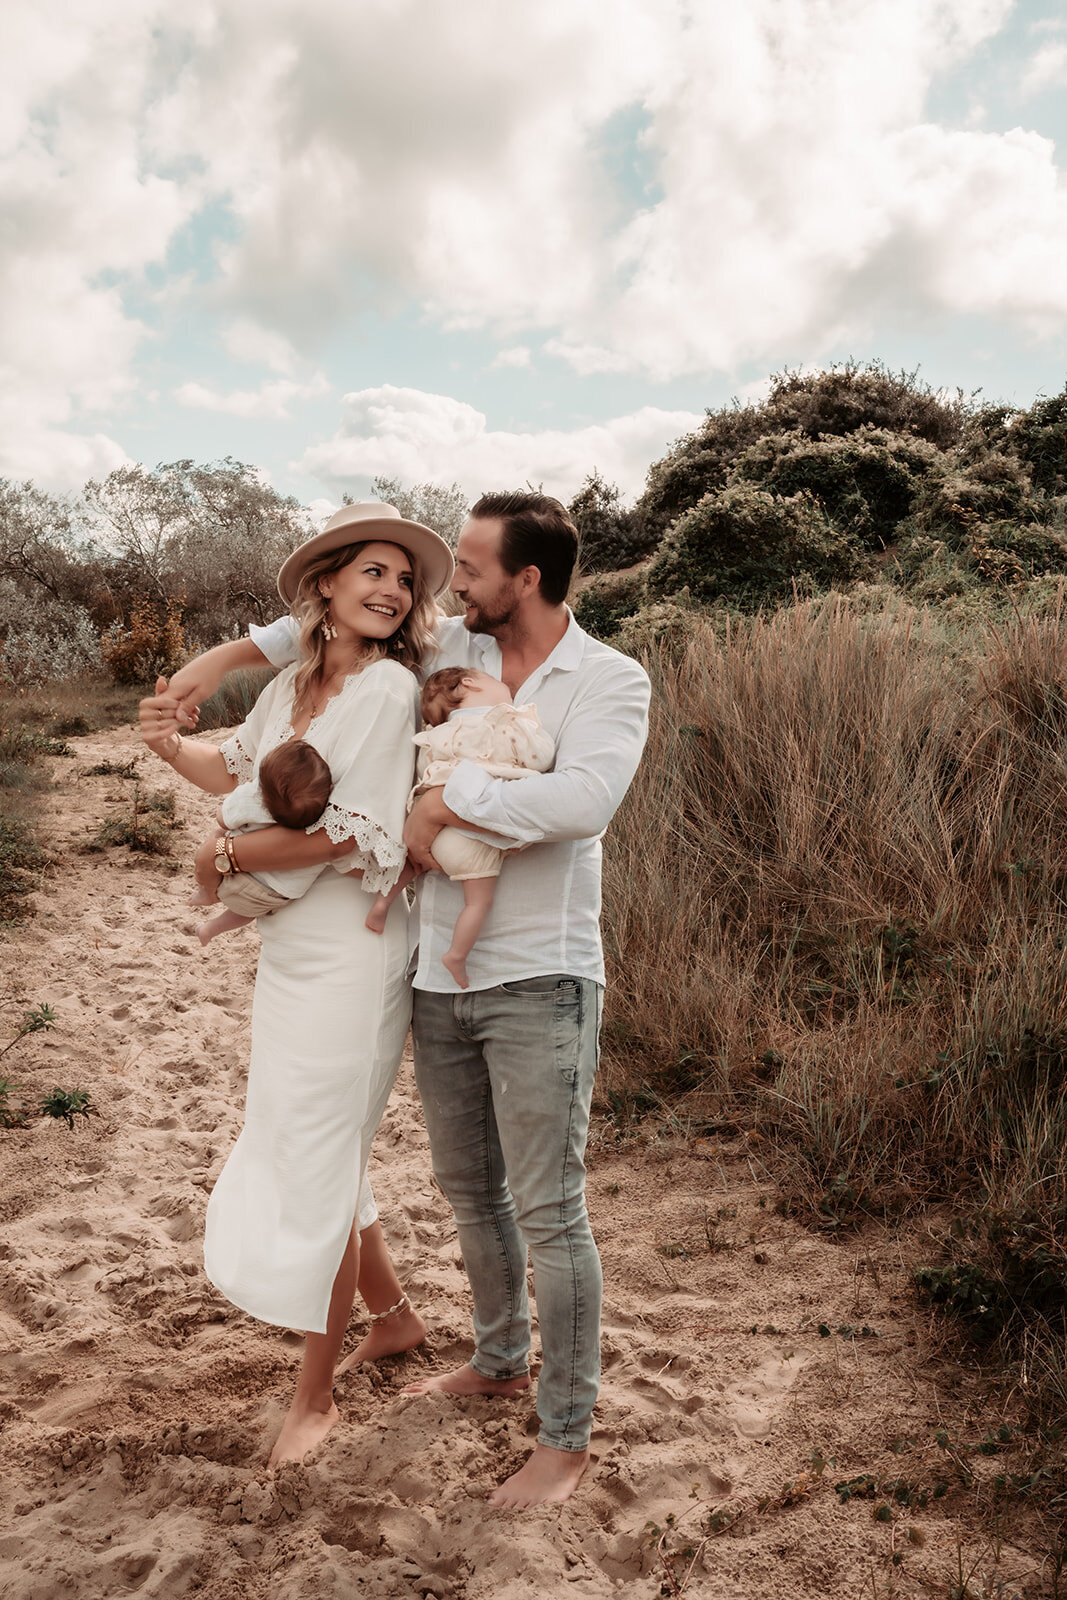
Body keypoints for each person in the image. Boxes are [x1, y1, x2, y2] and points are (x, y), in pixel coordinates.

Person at [146, 491, 650, 1506]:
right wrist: (191, 686)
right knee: (470, 1195)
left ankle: (562, 1434)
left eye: (462, 568)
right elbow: (304, 631)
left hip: (540, 970)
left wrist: (438, 799)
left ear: (526, 580)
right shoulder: (444, 644)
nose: (441, 585)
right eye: (436, 570)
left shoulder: (606, 677)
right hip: (434, 968)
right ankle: (488, 1353)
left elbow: (579, 805)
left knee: (549, 1210)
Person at [138, 503, 455, 1467]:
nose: (391, 589)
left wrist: (218, 856)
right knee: (303, 1135)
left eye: (403, 580)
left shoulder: (389, 689)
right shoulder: (287, 686)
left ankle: (312, 1394)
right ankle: (392, 1319)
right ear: (324, 584)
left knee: (317, 1150)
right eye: (371, 570)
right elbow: (226, 767)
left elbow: (337, 833)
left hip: (355, 957)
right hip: (290, 952)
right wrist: (165, 739)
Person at [365, 667, 555, 988]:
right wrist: (530, 727)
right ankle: (456, 955)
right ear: (469, 683)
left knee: (416, 860)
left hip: (435, 831)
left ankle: (382, 904)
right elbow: (540, 757)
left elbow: (426, 772)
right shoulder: (503, 724)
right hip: (472, 836)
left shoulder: (437, 736)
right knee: (477, 902)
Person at [191, 738, 338, 946]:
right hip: (274, 896)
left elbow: (223, 817)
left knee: (220, 832)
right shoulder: (318, 827)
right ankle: (210, 928)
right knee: (247, 913)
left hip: (235, 878)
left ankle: (206, 892)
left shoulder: (255, 800)